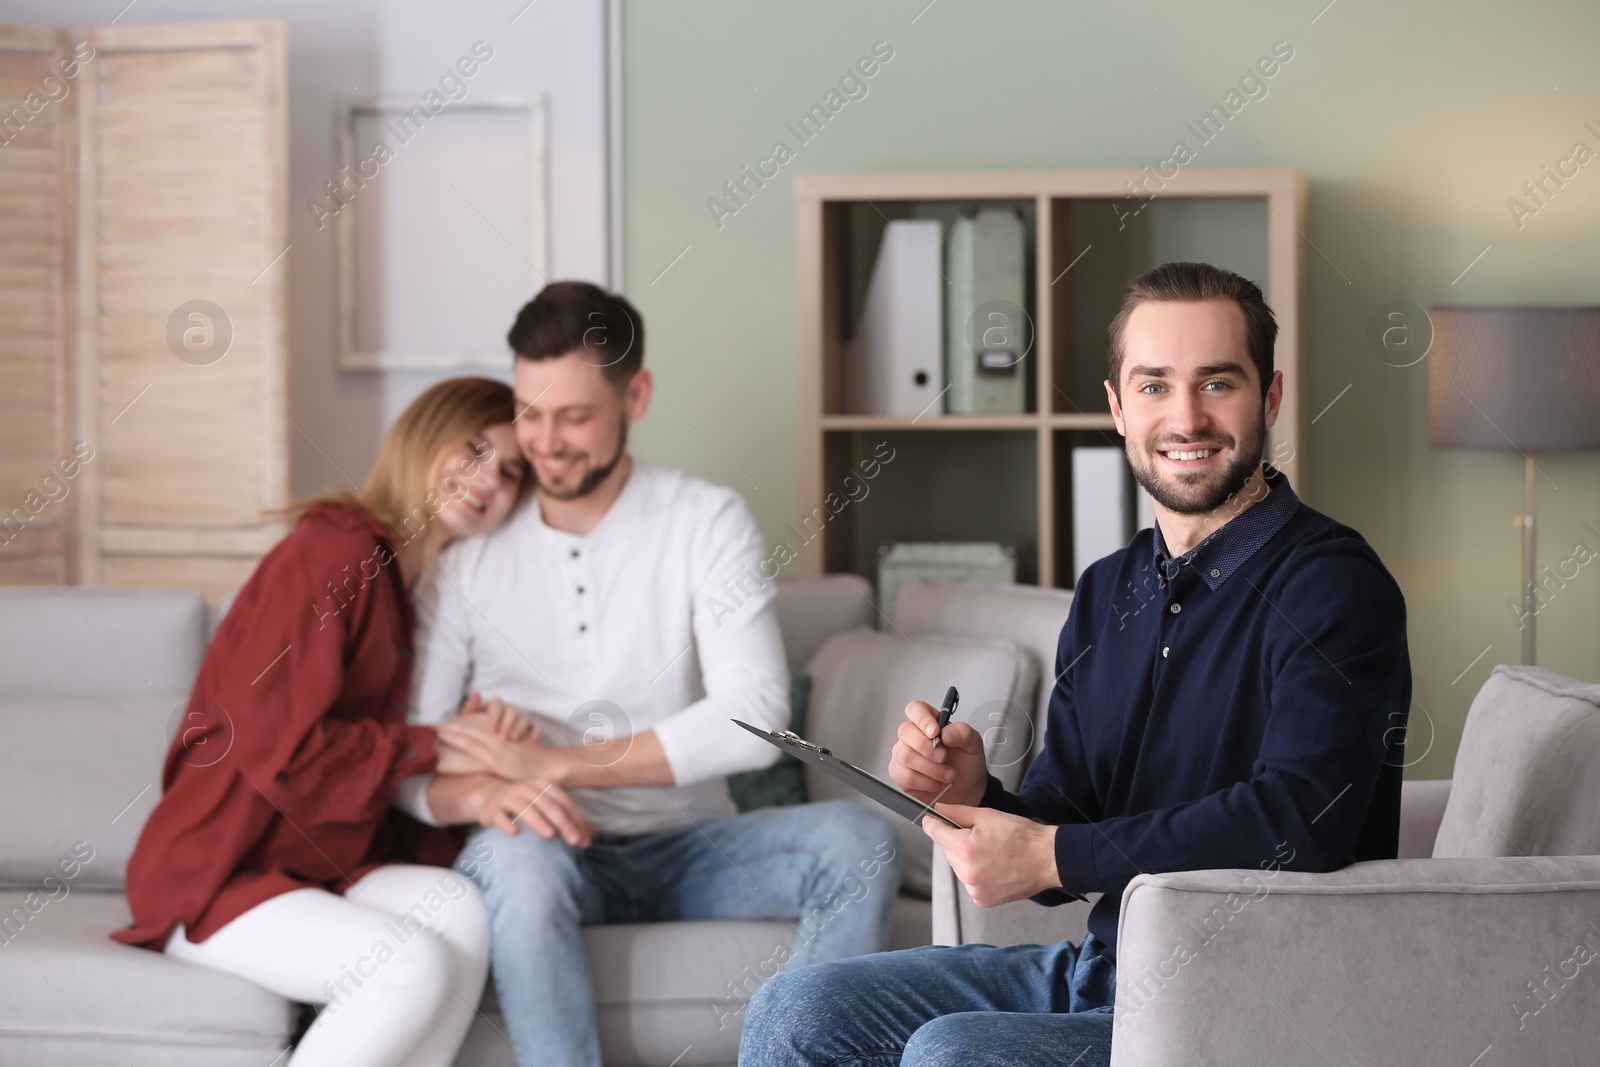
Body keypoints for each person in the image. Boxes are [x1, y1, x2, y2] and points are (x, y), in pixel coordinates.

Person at [738, 262, 1414, 1067]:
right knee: (794, 1009)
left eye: (1217, 383)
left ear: (1268, 397)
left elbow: (1299, 819)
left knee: (955, 1054)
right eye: (1155, 386)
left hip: (1251, 1003)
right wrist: (976, 794)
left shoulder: (1334, 583)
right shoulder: (1108, 589)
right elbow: (1073, 811)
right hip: (1102, 975)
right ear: (1117, 408)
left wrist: (1051, 852)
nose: (1186, 416)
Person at [395, 281, 903, 1067]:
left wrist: (554, 761)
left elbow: (757, 714)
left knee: (861, 838)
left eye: (575, 415)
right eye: (531, 412)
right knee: (515, 856)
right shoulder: (467, 559)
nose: (547, 441)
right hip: (545, 846)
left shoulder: (705, 519)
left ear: (637, 394)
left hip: (690, 843)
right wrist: (497, 784)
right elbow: (408, 754)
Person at [115, 377, 546, 1067]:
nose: (489, 477)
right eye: (474, 449)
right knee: (407, 965)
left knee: (459, 907)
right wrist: (437, 745)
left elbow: (367, 761)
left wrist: (467, 744)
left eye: (510, 470)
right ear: (422, 437)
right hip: (221, 869)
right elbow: (275, 748)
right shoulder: (336, 553)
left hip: (316, 865)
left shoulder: (406, 592)